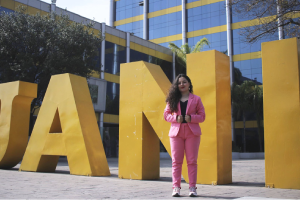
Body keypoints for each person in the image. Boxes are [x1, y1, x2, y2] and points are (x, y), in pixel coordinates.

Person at [164, 74, 205, 197]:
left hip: (192, 133)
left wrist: (191, 118)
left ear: (189, 84)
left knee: (192, 161)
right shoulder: (172, 99)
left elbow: (202, 116)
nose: (182, 84)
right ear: (176, 86)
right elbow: (166, 115)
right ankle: (176, 187)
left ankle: (192, 188)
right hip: (176, 133)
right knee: (176, 161)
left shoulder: (196, 99)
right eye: (179, 83)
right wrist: (176, 118)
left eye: (184, 82)